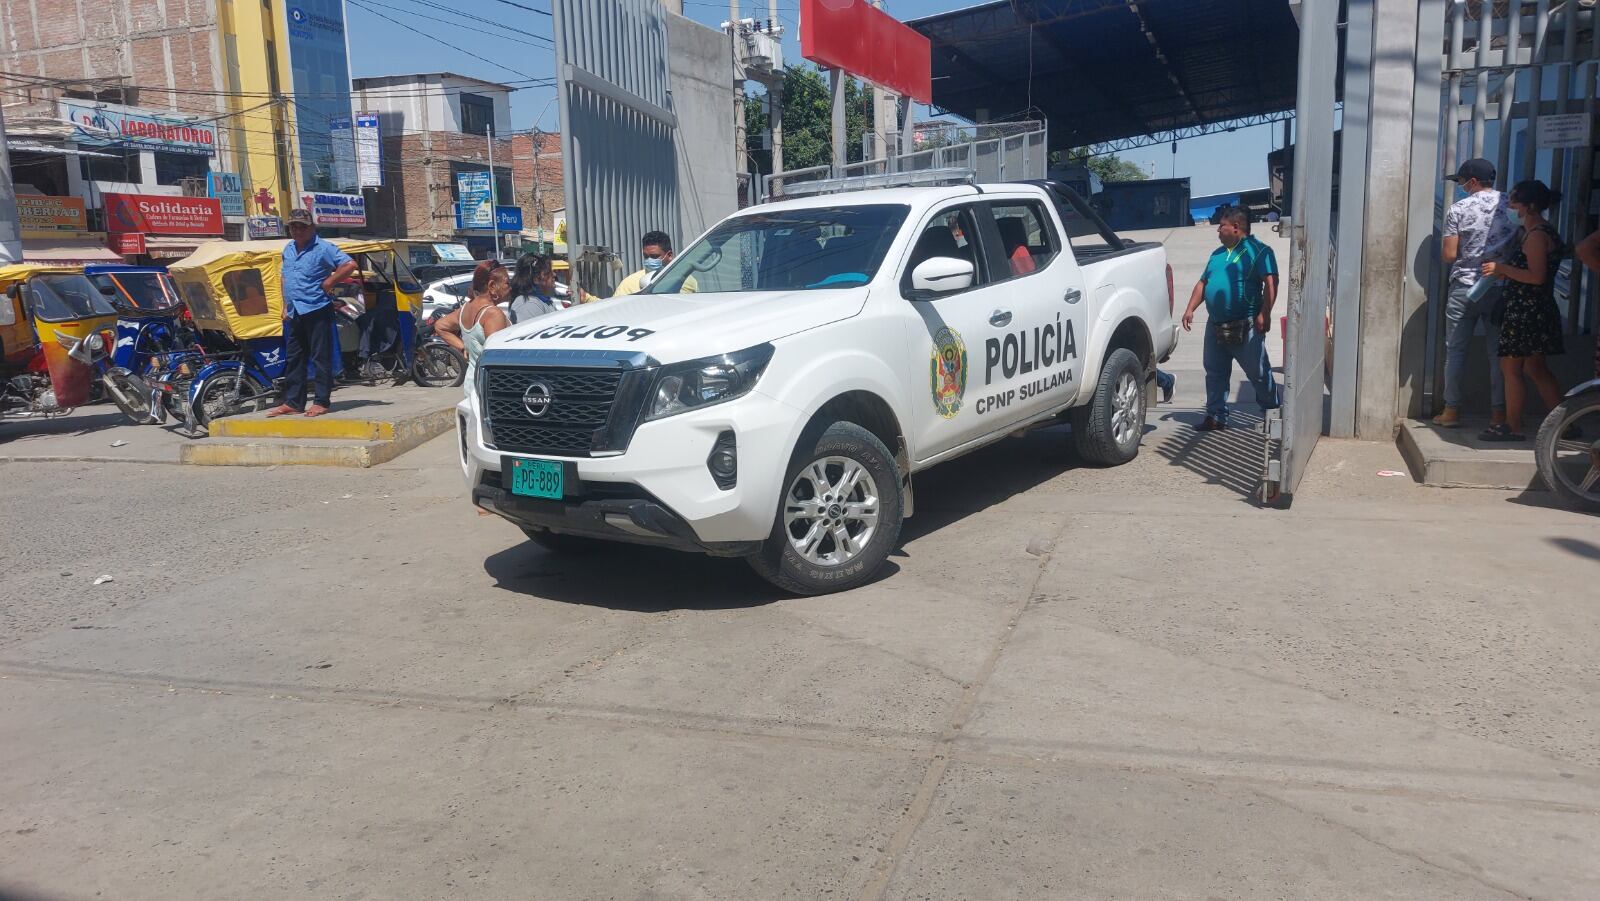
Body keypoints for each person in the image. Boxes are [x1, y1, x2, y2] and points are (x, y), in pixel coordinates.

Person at [1478, 180, 1566, 442]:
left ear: (1530, 206)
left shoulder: (1536, 235)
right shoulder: (1538, 231)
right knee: (1535, 368)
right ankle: (1566, 422)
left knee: (1511, 368)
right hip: (1534, 309)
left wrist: (1502, 269)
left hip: (1527, 311)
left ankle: (1512, 425)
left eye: (1515, 201)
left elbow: (1536, 277)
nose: (1511, 205)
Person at [1179, 206, 1280, 430]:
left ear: (1236, 227)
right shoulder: (1217, 254)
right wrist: (1190, 309)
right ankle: (1216, 416)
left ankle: (1272, 413)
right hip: (1215, 325)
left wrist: (1265, 313)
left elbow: (1271, 282)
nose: (1218, 230)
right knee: (1214, 372)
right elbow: (1203, 283)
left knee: (1258, 373)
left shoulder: (1260, 251)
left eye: (1221, 226)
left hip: (1247, 325)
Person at [1435, 157, 1518, 428]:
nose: (1461, 186)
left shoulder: (1458, 209)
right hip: (1500, 286)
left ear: (1472, 181)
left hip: (1464, 287)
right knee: (1497, 354)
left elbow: (1449, 255)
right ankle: (1498, 414)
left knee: (1456, 350)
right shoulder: (1511, 205)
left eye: (1461, 181)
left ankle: (1451, 411)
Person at [265, 209, 358, 418]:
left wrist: (329, 282)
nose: (297, 230)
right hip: (294, 311)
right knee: (294, 357)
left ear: (312, 228)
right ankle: (293, 402)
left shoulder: (323, 247)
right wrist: (285, 305)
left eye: (302, 226)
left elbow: (349, 264)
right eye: (293, 226)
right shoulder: (288, 248)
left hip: (316, 308)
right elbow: (285, 277)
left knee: (320, 356)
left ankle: (321, 402)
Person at [434, 259, 510, 395]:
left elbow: (440, 326)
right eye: (507, 283)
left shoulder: (466, 308)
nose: (510, 288)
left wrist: (463, 347)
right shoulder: (493, 314)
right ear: (492, 286)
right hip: (490, 388)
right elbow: (497, 357)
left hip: (471, 383)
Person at [607, 230, 693, 298]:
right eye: (646, 256)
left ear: (669, 255)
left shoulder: (684, 281)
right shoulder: (629, 283)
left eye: (654, 256)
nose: (649, 260)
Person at [503, 253, 559, 323]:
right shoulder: (528, 304)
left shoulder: (543, 300)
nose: (554, 274)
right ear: (536, 278)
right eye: (548, 272)